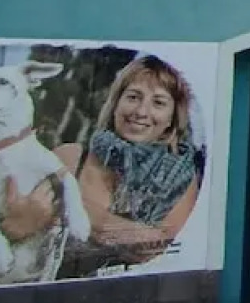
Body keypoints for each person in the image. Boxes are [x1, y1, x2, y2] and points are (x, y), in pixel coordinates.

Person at [55, 55, 203, 267]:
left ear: (172, 118)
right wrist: (130, 232)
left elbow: (156, 249)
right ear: (116, 103)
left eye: (158, 103)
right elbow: (26, 217)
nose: (141, 112)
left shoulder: (180, 180)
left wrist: (72, 206)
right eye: (133, 97)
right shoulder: (70, 157)